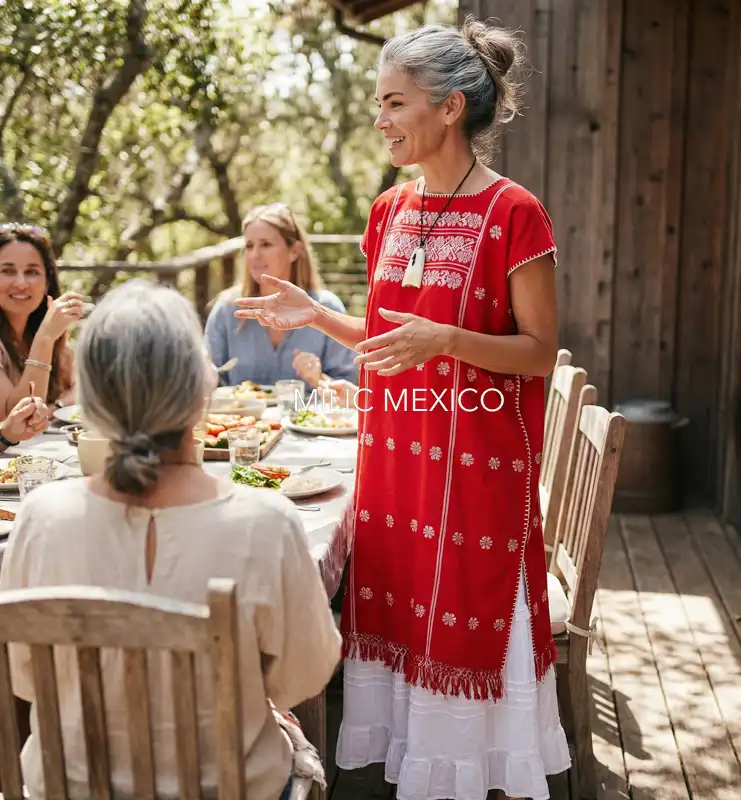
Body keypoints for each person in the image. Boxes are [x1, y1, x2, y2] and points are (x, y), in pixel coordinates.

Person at [234, 16, 571, 799]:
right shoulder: (389, 211)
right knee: (400, 619)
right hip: (392, 464)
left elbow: (538, 352)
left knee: (462, 620)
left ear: (449, 108)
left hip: (476, 472)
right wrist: (316, 316)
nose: (380, 121)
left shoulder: (515, 213)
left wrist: (447, 340)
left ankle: (470, 774)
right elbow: (390, 337)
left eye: (394, 103)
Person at [0, 279, 342, 799]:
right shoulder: (267, 523)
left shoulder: (39, 518)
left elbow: (26, 679)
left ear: (90, 394)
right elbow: (303, 677)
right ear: (201, 388)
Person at [204, 203, 357, 390]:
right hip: (240, 419)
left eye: (266, 244)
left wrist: (320, 379)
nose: (255, 255)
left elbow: (352, 395)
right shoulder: (227, 309)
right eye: (249, 246)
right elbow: (206, 383)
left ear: (294, 251)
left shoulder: (327, 307)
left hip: (308, 419)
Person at [0, 223, 84, 416]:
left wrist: (57, 407)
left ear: (47, 282)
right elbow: (18, 421)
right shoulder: (45, 332)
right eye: (7, 271)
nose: (21, 283)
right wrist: (45, 337)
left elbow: (84, 386)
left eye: (31, 272)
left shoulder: (38, 329)